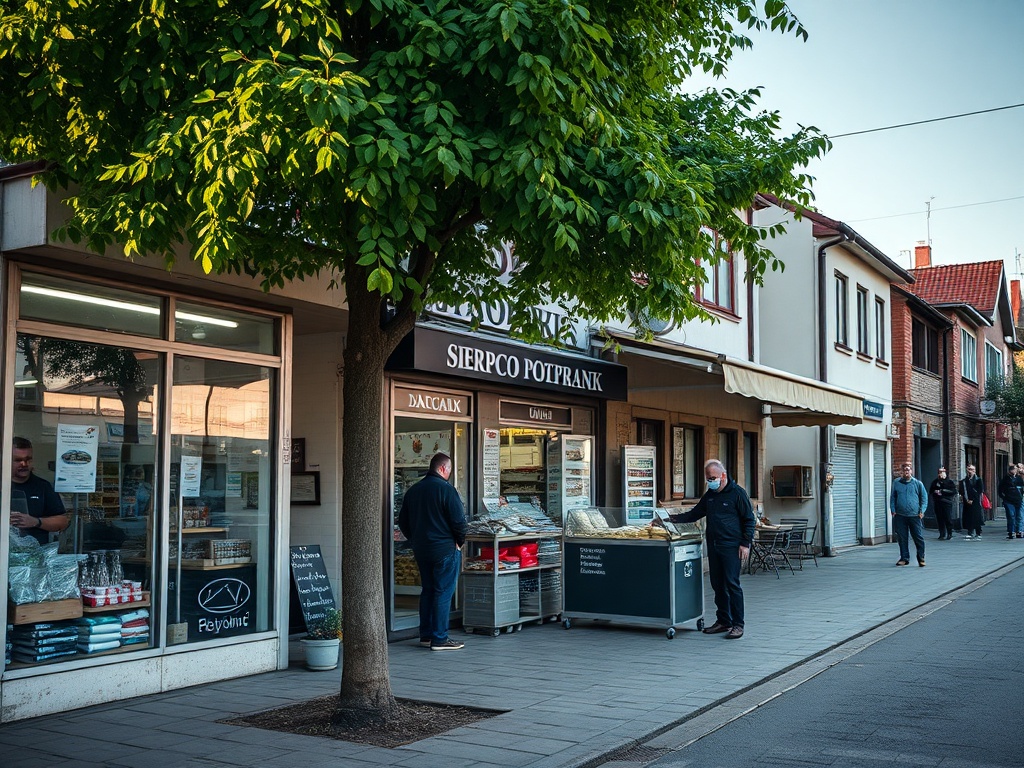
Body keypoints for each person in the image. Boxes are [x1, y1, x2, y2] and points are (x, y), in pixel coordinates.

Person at [664, 459, 755, 640]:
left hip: (732, 547)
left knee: (732, 584)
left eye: (713, 478)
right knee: (717, 584)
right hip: (714, 545)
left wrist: (745, 543)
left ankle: (738, 625)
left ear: (723, 475)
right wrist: (669, 519)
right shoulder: (710, 495)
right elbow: (694, 514)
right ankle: (723, 621)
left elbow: (749, 520)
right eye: (708, 478)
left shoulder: (738, 494)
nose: (710, 481)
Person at [397, 452, 468, 651]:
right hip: (445, 548)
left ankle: (426, 635)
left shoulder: (414, 490)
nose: (450, 473)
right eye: (450, 470)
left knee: (427, 591)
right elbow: (459, 522)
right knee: (443, 592)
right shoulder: (447, 490)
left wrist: (415, 539)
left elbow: (403, 522)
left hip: (422, 549)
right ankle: (439, 638)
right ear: (443, 469)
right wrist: (459, 543)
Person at [9, 436, 69, 545]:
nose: (24, 464)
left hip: (35, 555)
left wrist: (36, 522)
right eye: (18, 460)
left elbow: (62, 522)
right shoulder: (3, 485)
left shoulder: (42, 486)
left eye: (28, 459)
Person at [889, 462, 927, 567]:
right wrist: (893, 509)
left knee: (918, 537)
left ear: (911, 471)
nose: (906, 472)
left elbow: (924, 498)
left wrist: (922, 511)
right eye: (904, 470)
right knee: (902, 537)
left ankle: (921, 558)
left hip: (914, 515)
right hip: (900, 515)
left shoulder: (918, 484)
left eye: (908, 470)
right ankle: (904, 558)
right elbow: (893, 497)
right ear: (902, 472)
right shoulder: (896, 483)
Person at [929, 466, 958, 541]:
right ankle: (942, 534)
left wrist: (942, 491)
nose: (941, 474)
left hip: (947, 502)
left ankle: (949, 533)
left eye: (942, 472)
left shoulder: (949, 482)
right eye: (940, 472)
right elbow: (931, 491)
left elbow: (954, 492)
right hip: (938, 502)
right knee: (939, 519)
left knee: (948, 518)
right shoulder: (935, 482)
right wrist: (935, 492)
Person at [997, 464, 1024, 540]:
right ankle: (1011, 532)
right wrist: (1004, 498)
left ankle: (1019, 531)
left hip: (1018, 500)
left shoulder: (1019, 478)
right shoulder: (1005, 479)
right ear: (1010, 470)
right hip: (1009, 500)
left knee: (1020, 516)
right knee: (1011, 516)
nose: (1016, 470)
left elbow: (1022, 488)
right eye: (1014, 469)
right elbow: (1000, 490)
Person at [959, 464, 985, 540]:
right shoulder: (964, 481)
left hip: (976, 501)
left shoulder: (978, 480)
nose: (970, 471)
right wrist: (965, 498)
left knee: (976, 516)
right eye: (969, 469)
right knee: (968, 516)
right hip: (967, 501)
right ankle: (970, 531)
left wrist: (973, 499)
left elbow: (979, 490)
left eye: (972, 469)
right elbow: (962, 490)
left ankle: (978, 532)